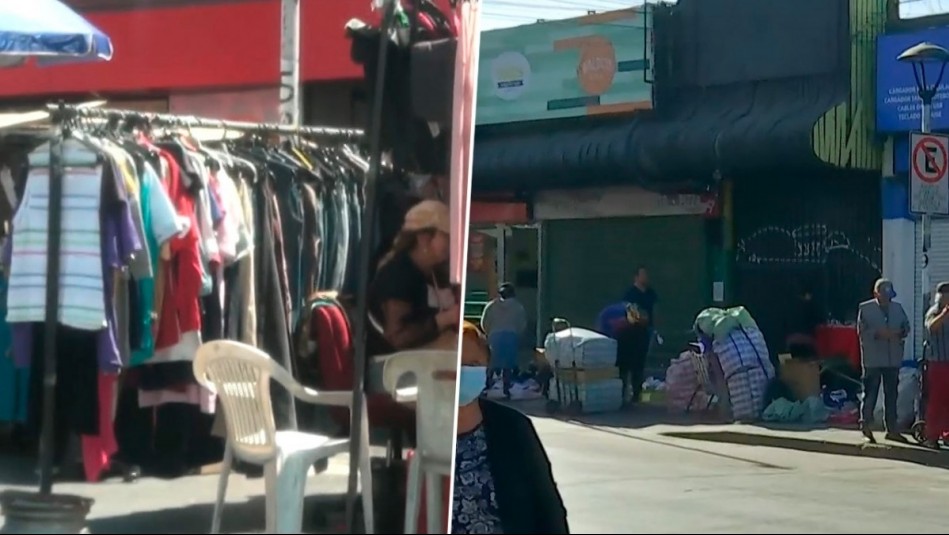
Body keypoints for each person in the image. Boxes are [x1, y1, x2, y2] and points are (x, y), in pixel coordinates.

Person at [452, 322, 569, 534]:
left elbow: (547, 506)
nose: (464, 372)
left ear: (486, 367)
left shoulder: (512, 427)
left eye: (474, 364)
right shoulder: (412, 430)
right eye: (457, 364)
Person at [368, 199, 460, 352]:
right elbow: (397, 337)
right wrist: (442, 320)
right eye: (446, 236)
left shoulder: (434, 272)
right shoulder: (398, 275)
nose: (452, 244)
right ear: (424, 238)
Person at [856, 278, 910, 444]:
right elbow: (861, 332)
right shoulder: (865, 309)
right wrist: (877, 333)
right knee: (870, 393)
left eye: (889, 295)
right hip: (873, 358)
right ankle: (866, 425)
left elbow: (906, 327)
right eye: (884, 294)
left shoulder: (897, 308)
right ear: (876, 293)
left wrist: (899, 332)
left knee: (892, 394)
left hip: (892, 358)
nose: (887, 298)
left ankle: (892, 429)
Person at [616, 267, 658, 405]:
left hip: (645, 333)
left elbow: (655, 311)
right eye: (642, 275)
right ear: (636, 277)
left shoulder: (651, 293)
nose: (646, 277)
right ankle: (622, 395)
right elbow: (629, 312)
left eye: (647, 274)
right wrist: (639, 318)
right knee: (625, 364)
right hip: (629, 333)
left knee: (639, 365)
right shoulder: (630, 294)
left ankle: (636, 394)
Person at [480, 282, 528, 397]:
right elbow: (522, 324)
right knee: (508, 365)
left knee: (491, 364)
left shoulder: (491, 306)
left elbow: (484, 322)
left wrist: (488, 333)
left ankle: (485, 387)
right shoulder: (518, 307)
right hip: (511, 336)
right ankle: (506, 389)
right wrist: (517, 333)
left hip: (494, 336)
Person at [923, 282, 949, 449]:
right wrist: (945, 312)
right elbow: (932, 327)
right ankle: (931, 436)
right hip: (938, 363)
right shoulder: (934, 312)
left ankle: (947, 434)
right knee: (936, 401)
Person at [786, 284, 824, 358]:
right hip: (807, 340)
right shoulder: (811, 305)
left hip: (791, 341)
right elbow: (819, 321)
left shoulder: (789, 305)